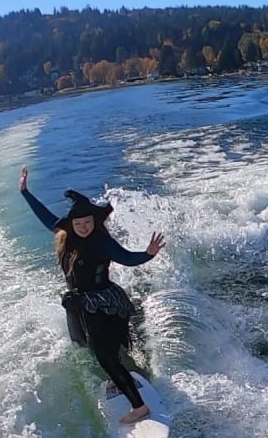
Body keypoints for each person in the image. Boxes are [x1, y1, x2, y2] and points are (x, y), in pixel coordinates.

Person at [19, 167, 165, 424]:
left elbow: (128, 258)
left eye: (88, 222)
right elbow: (44, 216)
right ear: (71, 225)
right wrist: (24, 192)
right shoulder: (65, 237)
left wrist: (148, 254)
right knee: (101, 347)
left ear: (94, 221)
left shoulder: (101, 242)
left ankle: (139, 407)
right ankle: (116, 378)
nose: (84, 227)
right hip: (86, 303)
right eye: (79, 224)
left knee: (104, 356)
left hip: (104, 302)